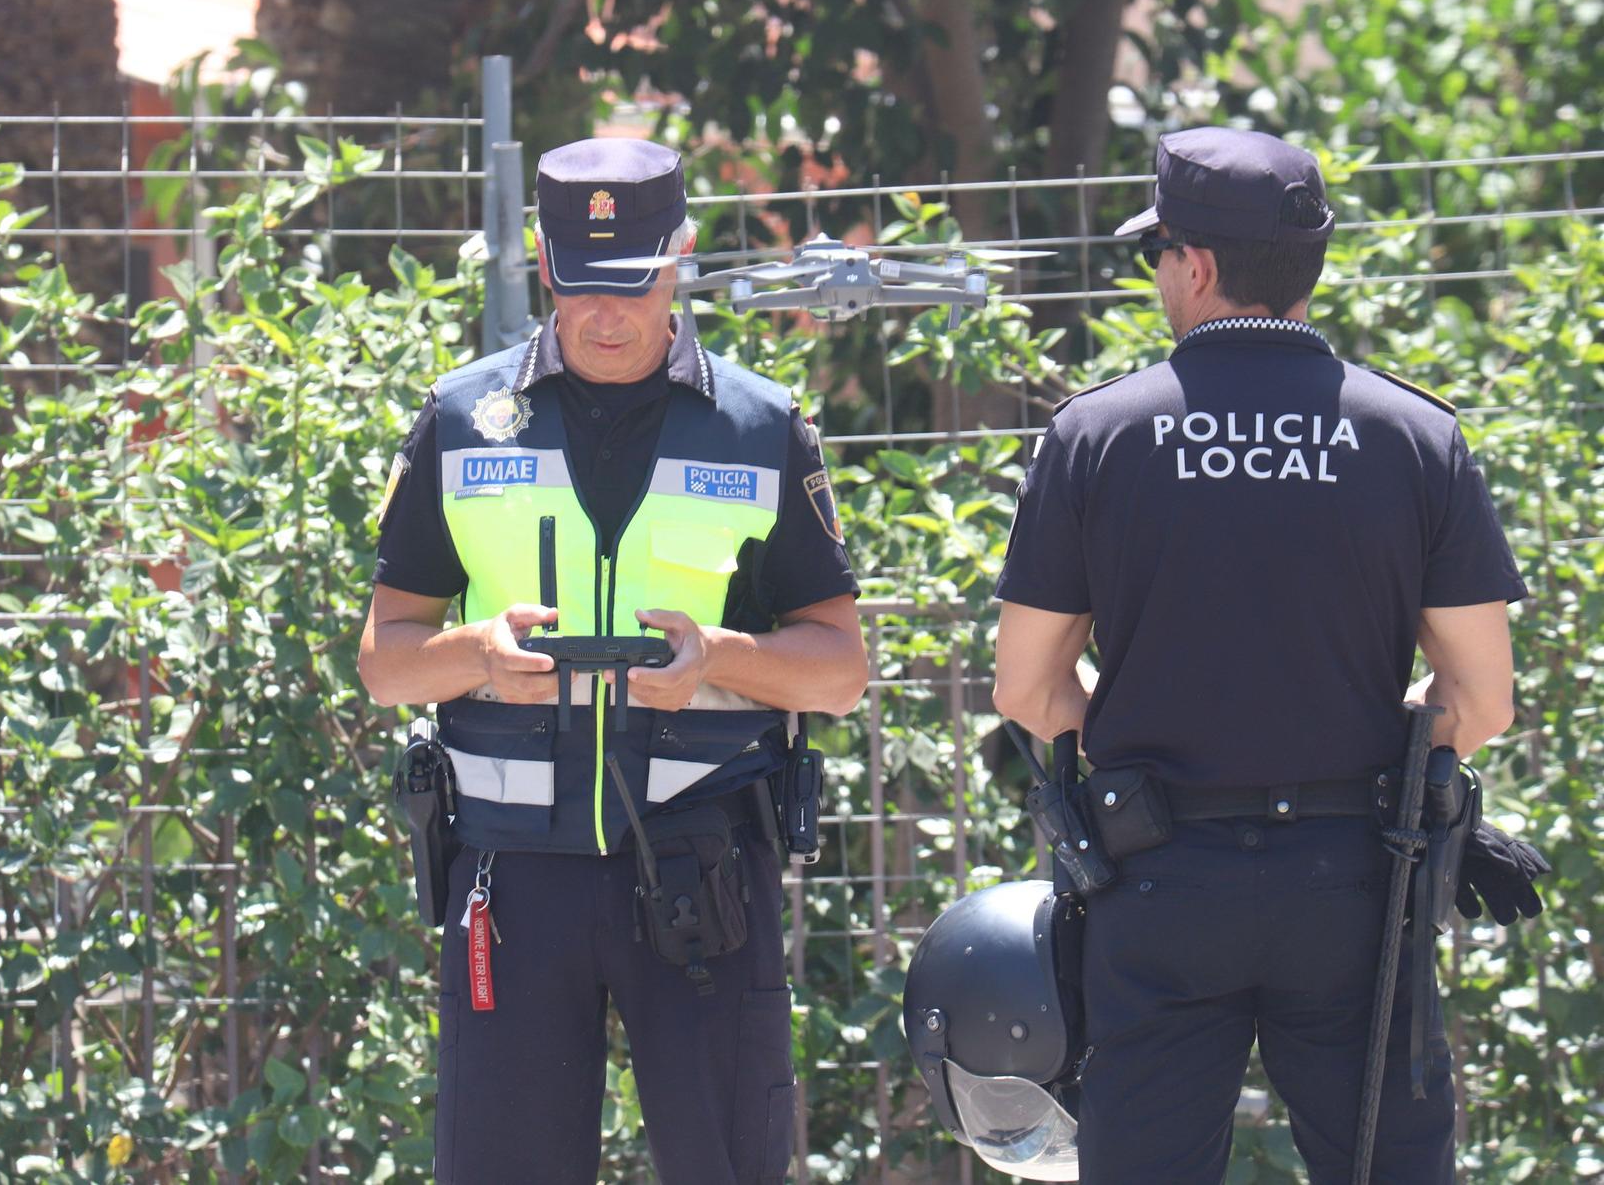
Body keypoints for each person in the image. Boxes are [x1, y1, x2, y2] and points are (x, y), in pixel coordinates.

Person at [990, 127, 1529, 1183]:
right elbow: (1481, 696)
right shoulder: (1412, 435)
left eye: (1157, 256)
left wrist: (1147, 717)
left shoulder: (1094, 434)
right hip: (1353, 886)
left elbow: (1025, 684)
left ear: (1193, 266)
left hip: (1158, 879)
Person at [358, 137, 868, 1185]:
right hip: (512, 873)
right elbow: (385, 659)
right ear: (543, 262)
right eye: (579, 285)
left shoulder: (758, 428)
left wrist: (719, 655)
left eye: (630, 285)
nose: (602, 315)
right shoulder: (461, 420)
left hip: (701, 870)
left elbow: (837, 669)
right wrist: (475, 653)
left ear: (678, 256)